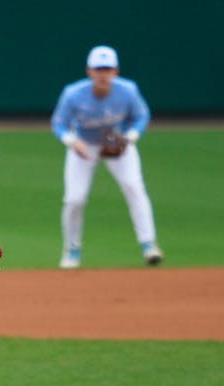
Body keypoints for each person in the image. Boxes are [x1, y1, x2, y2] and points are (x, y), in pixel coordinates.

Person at [51, 45, 162, 269]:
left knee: (134, 187)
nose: (103, 73)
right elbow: (59, 123)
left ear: (115, 71)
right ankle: (71, 249)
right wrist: (72, 141)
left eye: (107, 69)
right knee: (74, 198)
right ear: (89, 71)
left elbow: (141, 116)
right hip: (84, 146)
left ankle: (149, 245)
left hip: (118, 143)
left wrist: (129, 137)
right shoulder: (73, 93)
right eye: (98, 69)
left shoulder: (128, 90)